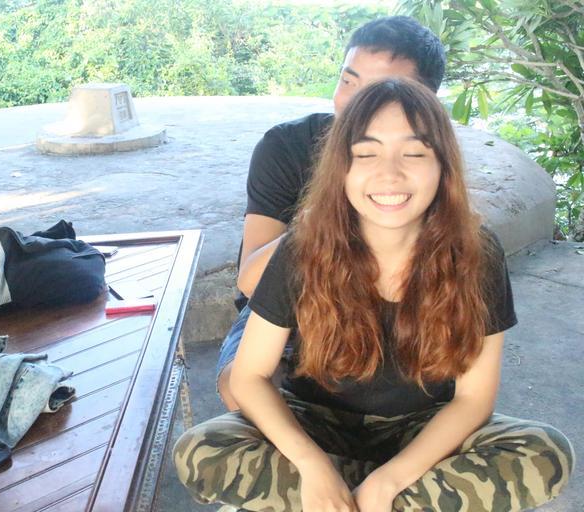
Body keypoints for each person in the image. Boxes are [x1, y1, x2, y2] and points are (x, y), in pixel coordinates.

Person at [174, 79, 574, 512]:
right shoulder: (303, 249)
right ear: (341, 168)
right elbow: (248, 377)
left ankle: (349, 501)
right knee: (201, 449)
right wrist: (313, 467)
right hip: (315, 424)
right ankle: (359, 497)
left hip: (425, 430)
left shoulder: (475, 253)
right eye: (366, 154)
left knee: (544, 454)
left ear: (443, 166)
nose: (390, 174)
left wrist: (388, 482)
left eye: (414, 153)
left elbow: (473, 399)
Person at [218, 16, 448, 410]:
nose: (354, 103)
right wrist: (330, 210)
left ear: (422, 101)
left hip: (392, 308)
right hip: (290, 306)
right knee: (239, 388)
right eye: (348, 81)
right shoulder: (286, 146)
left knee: (424, 396)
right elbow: (252, 280)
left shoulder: (425, 162)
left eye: (378, 91)